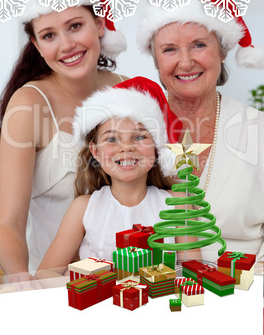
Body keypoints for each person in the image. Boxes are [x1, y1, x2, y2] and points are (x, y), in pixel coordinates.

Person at [0, 0, 128, 285]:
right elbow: (7, 223)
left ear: (99, 24)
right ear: (37, 45)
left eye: (75, 26)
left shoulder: (127, 93)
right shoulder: (28, 106)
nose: (66, 45)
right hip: (53, 285)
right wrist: (25, 286)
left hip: (126, 278)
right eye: (50, 35)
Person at [137, 0, 264, 264]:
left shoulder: (258, 129)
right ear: (155, 59)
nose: (185, 61)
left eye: (199, 45)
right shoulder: (133, 128)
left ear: (221, 50)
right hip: (155, 288)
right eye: (169, 49)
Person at [35, 78, 203, 281]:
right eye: (112, 139)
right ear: (95, 152)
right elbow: (45, 274)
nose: (127, 147)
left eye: (140, 137)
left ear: (157, 148)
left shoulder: (178, 206)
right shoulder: (83, 208)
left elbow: (193, 275)